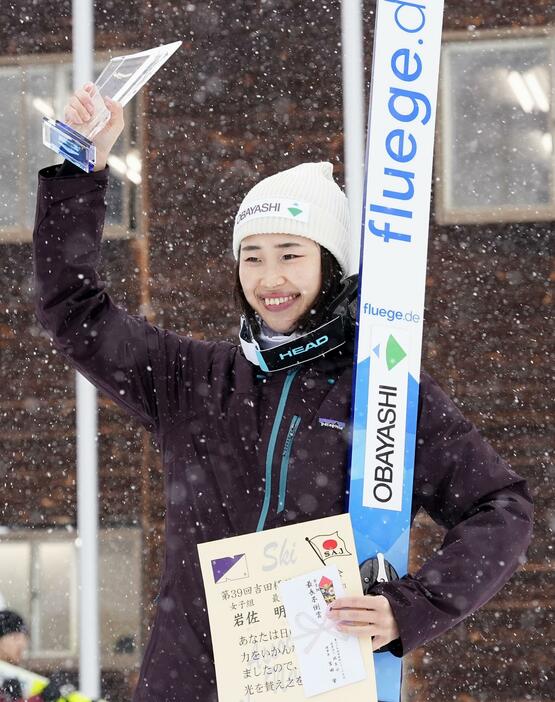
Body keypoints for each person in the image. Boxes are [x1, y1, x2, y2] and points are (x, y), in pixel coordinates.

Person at [32, 85, 533, 702]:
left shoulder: (384, 392)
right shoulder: (191, 378)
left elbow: (500, 507)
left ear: (330, 264)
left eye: (291, 255)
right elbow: (75, 312)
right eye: (252, 258)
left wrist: (414, 608)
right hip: (186, 683)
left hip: (317, 683)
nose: (270, 279)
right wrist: (81, 167)